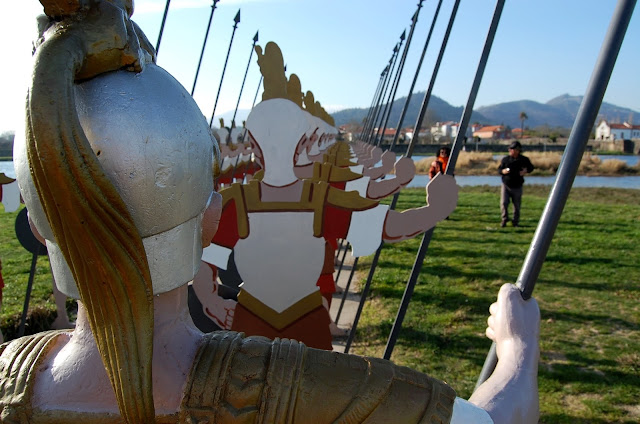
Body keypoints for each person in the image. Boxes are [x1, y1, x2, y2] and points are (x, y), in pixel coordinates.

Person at [1, 2, 540, 423]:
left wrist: (211, 295)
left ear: (40, 226)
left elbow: (369, 222)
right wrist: (517, 349)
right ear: (208, 210)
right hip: (268, 333)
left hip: (298, 318)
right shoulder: (344, 391)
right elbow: (496, 420)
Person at [498, 141, 535, 227]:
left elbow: (531, 168)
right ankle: (504, 219)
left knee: (516, 205)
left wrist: (525, 171)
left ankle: (515, 222)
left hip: (517, 185)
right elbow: (499, 170)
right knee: (504, 203)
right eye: (510, 149)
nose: (510, 151)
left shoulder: (524, 160)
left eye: (512, 149)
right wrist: (503, 171)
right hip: (506, 185)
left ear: (518, 150)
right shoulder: (506, 159)